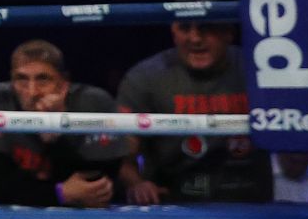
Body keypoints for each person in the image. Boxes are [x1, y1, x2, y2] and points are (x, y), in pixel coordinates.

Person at [117, 11, 273, 204]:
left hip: (252, 203)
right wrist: (136, 183)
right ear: (174, 33)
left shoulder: (261, 70)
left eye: (206, 28)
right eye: (184, 28)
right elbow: (123, 151)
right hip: (171, 203)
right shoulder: (145, 78)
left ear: (228, 33)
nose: (195, 38)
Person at [0, 40, 123, 208]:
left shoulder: (94, 103)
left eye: (42, 79)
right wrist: (59, 193)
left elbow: (97, 190)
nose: (32, 92)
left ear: (64, 83)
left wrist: (59, 135)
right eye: (21, 79)